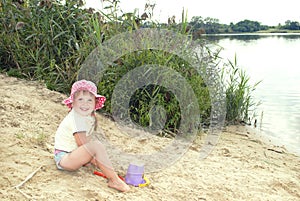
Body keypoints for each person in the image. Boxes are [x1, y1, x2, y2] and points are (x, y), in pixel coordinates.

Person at [54, 79, 130, 192]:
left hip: (72, 156)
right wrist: (95, 159)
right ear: (73, 102)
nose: (85, 104)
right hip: (64, 158)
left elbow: (86, 143)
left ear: (95, 103)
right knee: (96, 146)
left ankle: (110, 173)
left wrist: (93, 159)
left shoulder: (88, 117)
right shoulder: (77, 118)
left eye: (89, 100)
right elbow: (83, 143)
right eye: (80, 99)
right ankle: (114, 180)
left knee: (97, 148)